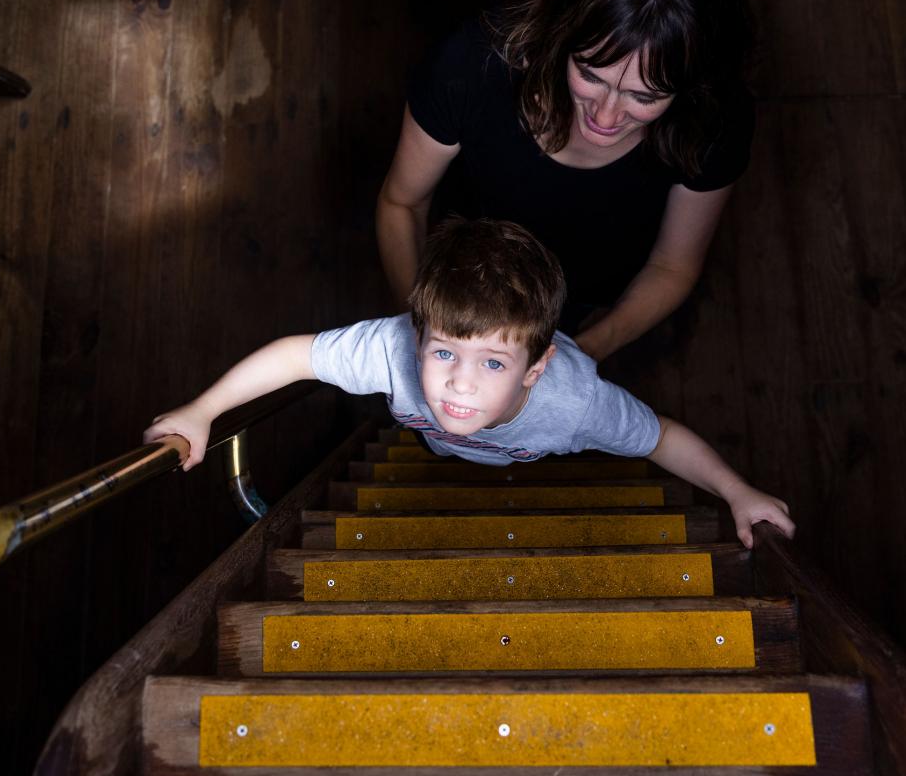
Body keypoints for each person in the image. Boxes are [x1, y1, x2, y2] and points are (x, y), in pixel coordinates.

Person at [143, 218, 792, 549]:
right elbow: (296, 356)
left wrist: (736, 492)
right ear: (421, 335)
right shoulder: (396, 349)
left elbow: (661, 438)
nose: (458, 382)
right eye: (444, 351)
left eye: (492, 363)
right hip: (446, 448)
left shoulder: (576, 403)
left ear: (532, 372)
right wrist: (205, 409)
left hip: (545, 419)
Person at [375, 0, 755, 361]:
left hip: (609, 303)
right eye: (591, 74)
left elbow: (671, 266)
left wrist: (587, 351)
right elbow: (401, 204)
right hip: (468, 283)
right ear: (562, 30)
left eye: (644, 95)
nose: (606, 116)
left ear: (692, 87)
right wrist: (424, 331)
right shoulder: (472, 67)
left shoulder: (714, 117)